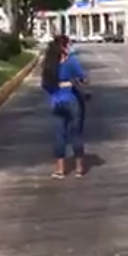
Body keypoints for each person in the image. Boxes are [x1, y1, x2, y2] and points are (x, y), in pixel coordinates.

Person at [41, 37, 88, 179]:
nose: (70, 47)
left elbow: (45, 85)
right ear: (63, 47)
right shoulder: (71, 61)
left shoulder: (48, 65)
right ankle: (79, 169)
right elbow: (84, 79)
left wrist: (55, 91)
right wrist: (74, 82)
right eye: (68, 44)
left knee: (59, 136)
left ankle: (60, 170)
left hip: (56, 102)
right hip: (72, 101)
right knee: (76, 134)